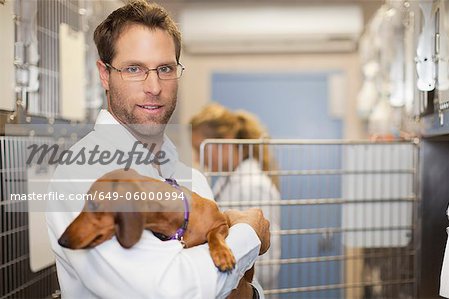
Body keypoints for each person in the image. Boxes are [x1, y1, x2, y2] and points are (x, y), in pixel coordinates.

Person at [45, 1, 270, 298]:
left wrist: (249, 293)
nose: (154, 86)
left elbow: (228, 286)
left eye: (165, 68)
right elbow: (169, 291)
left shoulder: (192, 179)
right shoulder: (85, 175)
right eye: (134, 69)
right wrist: (248, 234)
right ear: (104, 74)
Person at [190, 103, 281, 293]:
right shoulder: (224, 182)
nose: (198, 159)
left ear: (226, 140)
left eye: (200, 149)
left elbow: (268, 265)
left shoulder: (254, 185)